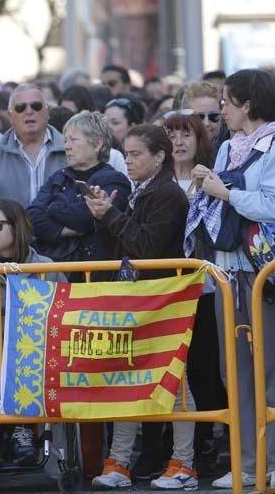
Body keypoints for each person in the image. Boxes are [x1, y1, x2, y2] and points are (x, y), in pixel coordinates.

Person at [186, 69, 275, 490]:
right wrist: (207, 192)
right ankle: (248, 462)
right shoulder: (227, 147)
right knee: (232, 372)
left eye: (228, 104)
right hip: (226, 271)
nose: (222, 112)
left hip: (266, 272)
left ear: (247, 104)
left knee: (270, 369)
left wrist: (225, 193)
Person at [85, 124, 197, 490]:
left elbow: (147, 247)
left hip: (165, 297)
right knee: (127, 377)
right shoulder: (142, 191)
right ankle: (119, 461)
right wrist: (104, 214)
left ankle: (184, 463)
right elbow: (120, 247)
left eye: (135, 154)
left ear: (159, 156)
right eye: (126, 153)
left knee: (175, 380)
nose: (128, 161)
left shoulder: (167, 194)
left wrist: (112, 216)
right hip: (140, 296)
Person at [0, 198, 65, 468]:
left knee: (23, 347)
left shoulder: (46, 267)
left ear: (16, 227)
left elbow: (64, 312)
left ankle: (23, 429)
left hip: (34, 351)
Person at [163, 110, 225, 475]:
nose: (180, 142)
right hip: (167, 290)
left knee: (205, 369)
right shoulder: (156, 182)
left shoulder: (212, 180)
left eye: (187, 134)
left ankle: (208, 444)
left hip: (204, 289)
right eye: (171, 135)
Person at [27, 111, 130, 270]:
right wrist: (65, 231)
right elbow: (31, 217)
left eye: (74, 140)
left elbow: (85, 217)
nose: (67, 146)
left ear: (97, 144)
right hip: (54, 272)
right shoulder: (58, 177)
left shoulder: (114, 179)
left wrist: (53, 208)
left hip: (93, 274)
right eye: (66, 140)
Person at [0, 83, 67, 207]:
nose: (29, 111)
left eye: (36, 106)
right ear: (10, 116)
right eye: (20, 108)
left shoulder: (69, 149)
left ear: (48, 111)